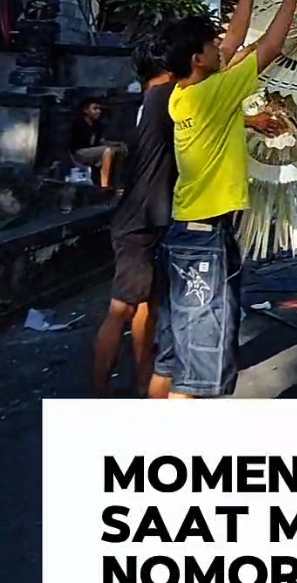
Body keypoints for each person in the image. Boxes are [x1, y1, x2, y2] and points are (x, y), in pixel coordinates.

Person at [154, 0, 297, 399]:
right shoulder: (214, 94)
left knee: (179, 353)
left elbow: (234, 39)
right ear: (198, 59)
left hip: (189, 229)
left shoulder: (183, 94)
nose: (220, 47)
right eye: (211, 46)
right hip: (203, 236)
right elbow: (270, 47)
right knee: (204, 364)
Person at [91, 35, 175, 395]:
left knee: (148, 306)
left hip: (149, 216)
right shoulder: (160, 99)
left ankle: (144, 382)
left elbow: (111, 155)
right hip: (138, 221)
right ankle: (97, 392)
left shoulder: (143, 102)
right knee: (122, 308)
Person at [71, 98, 120, 190]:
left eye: (99, 109)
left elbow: (100, 141)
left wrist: (116, 144)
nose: (99, 111)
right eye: (95, 108)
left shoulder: (97, 124)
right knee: (107, 151)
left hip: (92, 151)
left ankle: (116, 182)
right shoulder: (78, 123)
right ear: (85, 110)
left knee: (118, 150)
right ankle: (104, 184)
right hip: (79, 153)